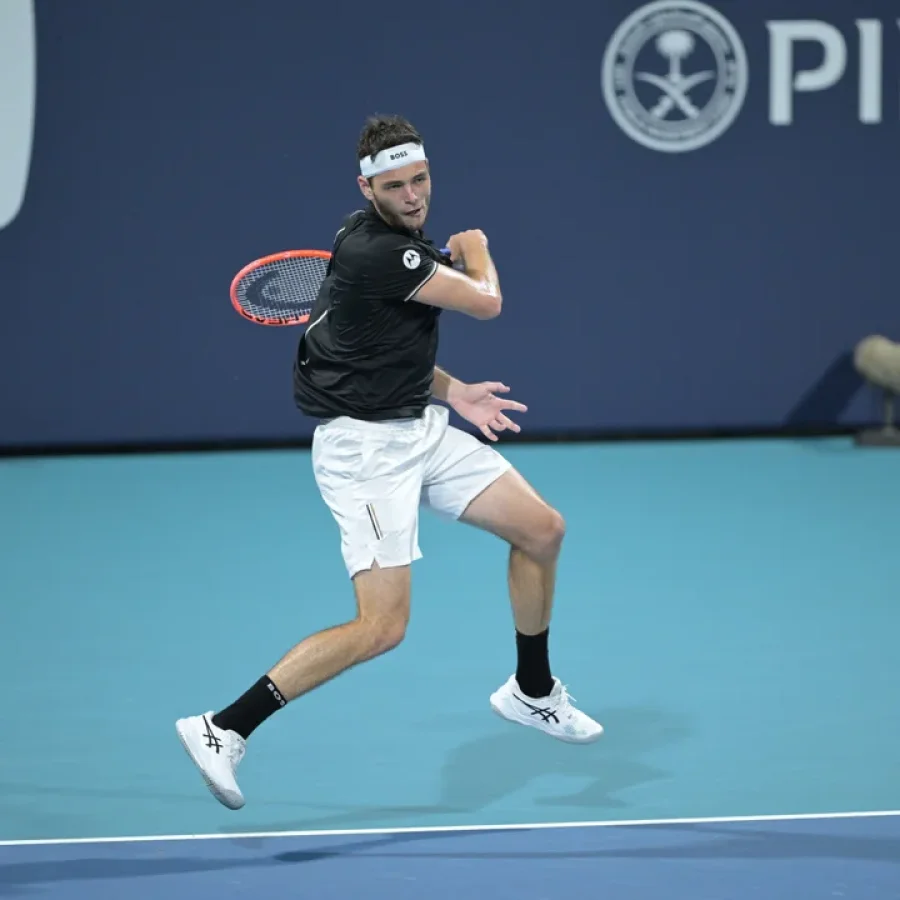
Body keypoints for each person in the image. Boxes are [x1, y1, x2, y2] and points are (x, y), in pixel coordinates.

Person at [175, 114, 603, 811]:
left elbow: (383, 351)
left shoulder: (378, 242)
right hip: (365, 455)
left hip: (417, 428)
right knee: (382, 627)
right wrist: (476, 249)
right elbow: (487, 303)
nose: (413, 196)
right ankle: (224, 727)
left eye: (421, 179)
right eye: (396, 185)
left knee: (542, 530)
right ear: (366, 186)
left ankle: (530, 691)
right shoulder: (385, 253)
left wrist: (456, 390)